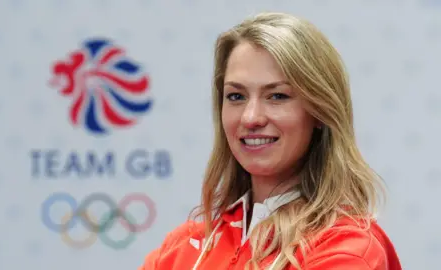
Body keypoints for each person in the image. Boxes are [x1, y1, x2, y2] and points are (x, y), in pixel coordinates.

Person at [140, 12, 402, 270]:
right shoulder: (183, 247)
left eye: (277, 96)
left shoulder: (347, 248)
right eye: (236, 96)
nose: (251, 117)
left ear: (320, 111)